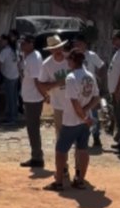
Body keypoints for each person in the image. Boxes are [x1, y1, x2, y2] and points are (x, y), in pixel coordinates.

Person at [45, 50, 98, 191]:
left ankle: (59, 182)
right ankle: (80, 181)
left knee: (60, 151)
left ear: (73, 61)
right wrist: (86, 113)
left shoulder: (71, 78)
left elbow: (74, 103)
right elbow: (96, 97)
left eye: (69, 59)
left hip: (71, 121)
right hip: (85, 121)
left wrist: (83, 116)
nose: (67, 61)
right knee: (83, 149)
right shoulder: (90, 75)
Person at [73, 36, 106, 148]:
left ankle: (96, 136)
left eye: (79, 43)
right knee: (79, 112)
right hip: (77, 89)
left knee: (93, 113)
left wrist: (100, 80)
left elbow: (102, 66)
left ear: (85, 44)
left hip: (90, 88)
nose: (77, 46)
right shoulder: (74, 56)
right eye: (76, 44)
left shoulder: (91, 55)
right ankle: (80, 137)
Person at [18, 34, 46, 167]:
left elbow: (37, 81)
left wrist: (44, 95)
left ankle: (37, 157)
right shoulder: (28, 57)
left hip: (33, 98)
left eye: (24, 43)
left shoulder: (33, 59)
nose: (21, 45)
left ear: (31, 44)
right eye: (21, 43)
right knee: (32, 128)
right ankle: (36, 155)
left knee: (33, 129)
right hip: (29, 96)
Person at [0, 34, 20, 125]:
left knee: (10, 98)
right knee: (13, 98)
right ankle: (13, 115)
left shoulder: (5, 51)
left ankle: (12, 118)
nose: (0, 42)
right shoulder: (14, 50)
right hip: (15, 76)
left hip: (9, 77)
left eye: (1, 40)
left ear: (6, 41)